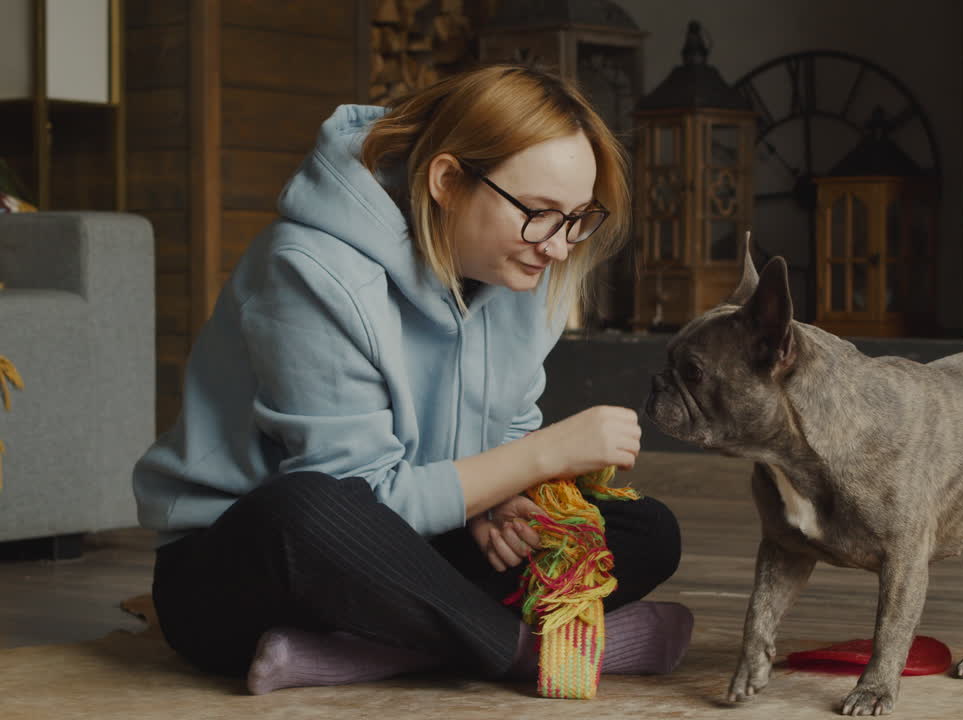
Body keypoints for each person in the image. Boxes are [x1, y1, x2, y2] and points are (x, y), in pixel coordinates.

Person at [132, 64, 691, 695]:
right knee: (305, 507)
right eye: (538, 213)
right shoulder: (308, 270)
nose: (559, 246)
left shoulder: (519, 267)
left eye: (576, 218)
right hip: (249, 572)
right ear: (447, 181)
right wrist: (544, 454)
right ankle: (524, 652)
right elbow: (357, 507)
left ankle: (363, 654)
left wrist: (503, 500)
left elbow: (504, 430)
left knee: (647, 530)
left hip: (417, 544)